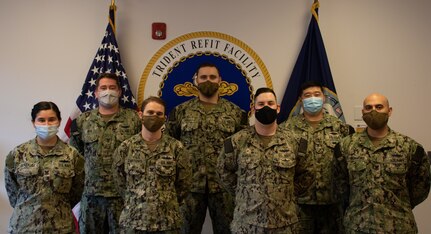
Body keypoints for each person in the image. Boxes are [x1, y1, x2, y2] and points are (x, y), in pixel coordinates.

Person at [166, 62, 249, 234]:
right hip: (189, 187)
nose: (208, 81)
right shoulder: (180, 112)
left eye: (212, 77)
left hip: (224, 187)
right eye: (203, 77)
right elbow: (169, 148)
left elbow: (243, 151)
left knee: (228, 230)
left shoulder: (236, 113)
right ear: (195, 81)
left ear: (220, 80)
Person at [334, 93, 430, 233]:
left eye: (379, 107)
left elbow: (420, 189)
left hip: (399, 227)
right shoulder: (345, 147)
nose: (373, 111)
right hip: (358, 226)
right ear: (362, 112)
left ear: (389, 111)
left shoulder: (410, 148)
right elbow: (339, 187)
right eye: (368, 107)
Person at [218, 87, 300, 234]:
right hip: (247, 224)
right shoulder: (236, 141)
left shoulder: (294, 141)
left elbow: (306, 174)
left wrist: (286, 195)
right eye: (261, 104)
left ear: (278, 108)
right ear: (253, 108)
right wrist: (244, 192)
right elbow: (223, 172)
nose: (266, 107)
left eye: (270, 103)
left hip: (285, 224)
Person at [69, 73, 142, 234]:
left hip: (123, 197)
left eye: (112, 88)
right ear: (95, 93)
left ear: (120, 92)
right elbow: (75, 159)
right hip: (91, 198)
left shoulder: (134, 120)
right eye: (103, 88)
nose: (108, 92)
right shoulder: (82, 122)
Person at [279, 81, 354, 234]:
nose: (312, 98)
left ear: (324, 98)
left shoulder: (342, 129)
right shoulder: (286, 129)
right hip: (300, 205)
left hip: (333, 204)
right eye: (307, 95)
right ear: (300, 100)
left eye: (317, 94)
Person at [113, 96, 192, 233]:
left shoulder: (176, 148)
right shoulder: (126, 148)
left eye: (159, 114)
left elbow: (184, 184)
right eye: (150, 112)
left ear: (164, 118)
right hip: (133, 222)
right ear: (140, 115)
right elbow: (119, 181)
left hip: (167, 223)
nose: (154, 116)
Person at [4, 101, 85, 233]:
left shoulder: (73, 156)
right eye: (41, 120)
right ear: (33, 122)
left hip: (61, 227)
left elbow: (77, 192)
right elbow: (13, 192)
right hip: (25, 227)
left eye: (51, 119)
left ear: (59, 121)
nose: (46, 124)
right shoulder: (18, 154)